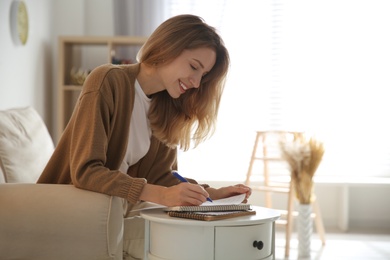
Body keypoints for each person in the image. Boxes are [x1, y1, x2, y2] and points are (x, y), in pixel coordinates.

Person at [38, 14, 251, 212]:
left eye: (203, 76)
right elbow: (86, 171)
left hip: (111, 211)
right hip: (70, 210)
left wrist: (212, 194)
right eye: (194, 67)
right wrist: (163, 196)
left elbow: (162, 177)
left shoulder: (167, 106)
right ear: (168, 47)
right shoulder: (108, 80)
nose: (196, 83)